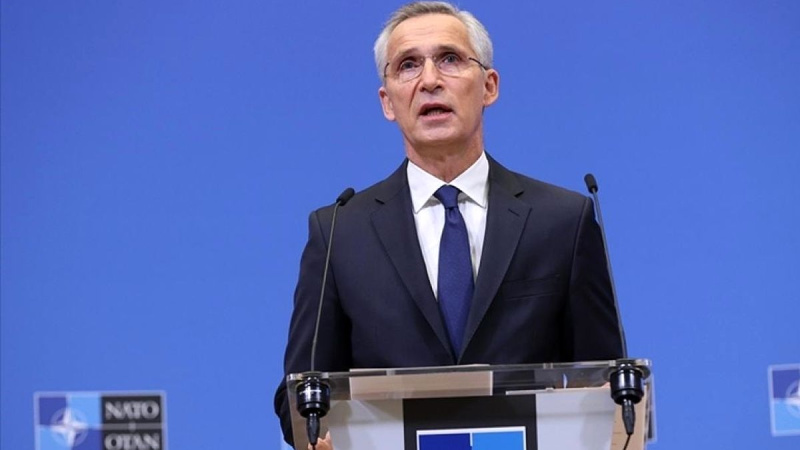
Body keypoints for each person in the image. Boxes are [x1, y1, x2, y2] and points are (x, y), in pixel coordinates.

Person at [274, 2, 624, 448]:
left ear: (489, 86)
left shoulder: (561, 221)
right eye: (408, 65)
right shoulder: (340, 233)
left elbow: (606, 381)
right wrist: (313, 434)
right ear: (387, 101)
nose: (429, 80)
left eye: (450, 59)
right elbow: (300, 392)